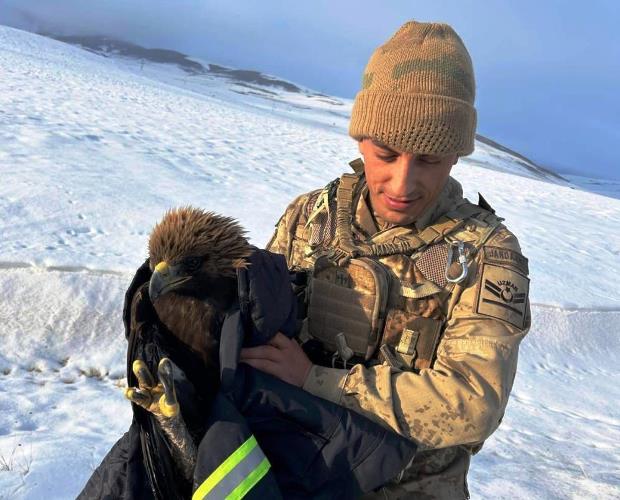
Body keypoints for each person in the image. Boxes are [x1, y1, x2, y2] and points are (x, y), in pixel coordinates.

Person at [240, 20, 531, 499]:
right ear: (360, 140)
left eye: (429, 159)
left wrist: (318, 381)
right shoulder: (312, 215)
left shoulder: (485, 255)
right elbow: (259, 327)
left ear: (456, 155)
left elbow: (472, 404)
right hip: (294, 473)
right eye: (387, 153)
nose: (403, 183)